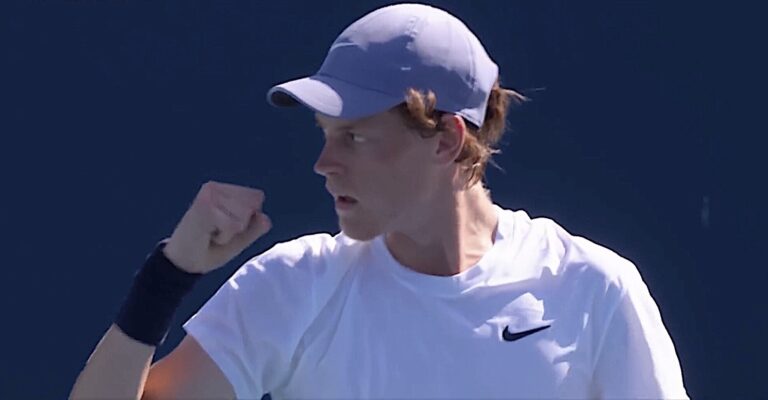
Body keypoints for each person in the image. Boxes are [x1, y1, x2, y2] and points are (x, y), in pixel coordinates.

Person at [70, 3, 689, 399]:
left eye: (355, 137)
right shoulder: (293, 286)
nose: (324, 164)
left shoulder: (593, 288)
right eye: (325, 135)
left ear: (446, 140)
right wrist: (169, 274)